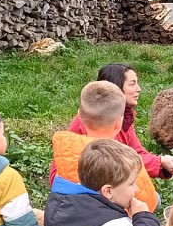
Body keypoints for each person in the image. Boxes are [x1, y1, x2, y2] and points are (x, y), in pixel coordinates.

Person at [49, 63, 173, 184]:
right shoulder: (98, 121)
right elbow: (114, 161)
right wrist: (159, 162)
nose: (139, 89)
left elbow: (136, 152)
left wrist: (161, 163)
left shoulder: (123, 115)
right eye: (132, 84)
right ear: (115, 88)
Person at [50, 80, 160, 212]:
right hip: (116, 222)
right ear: (118, 123)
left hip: (72, 214)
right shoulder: (130, 161)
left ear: (79, 115)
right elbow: (149, 203)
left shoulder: (65, 150)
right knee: (157, 199)